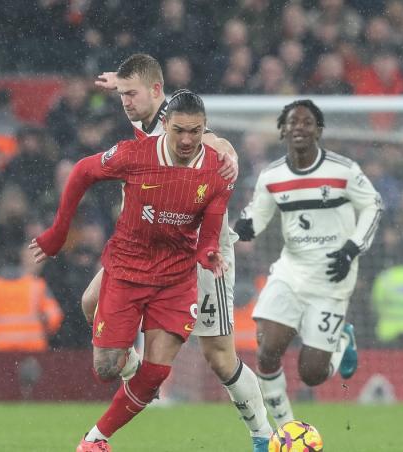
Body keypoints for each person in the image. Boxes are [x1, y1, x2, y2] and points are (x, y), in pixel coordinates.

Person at [29, 90, 232, 452]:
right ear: (165, 125)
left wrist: (210, 255)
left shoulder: (217, 171)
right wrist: (58, 232)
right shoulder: (135, 154)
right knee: (106, 367)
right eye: (180, 130)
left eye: (196, 132)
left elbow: (209, 236)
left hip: (175, 278)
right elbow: (81, 171)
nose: (187, 139)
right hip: (127, 269)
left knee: (156, 374)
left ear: (205, 129)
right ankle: (129, 366)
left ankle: (95, 440)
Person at [92, 54, 272, 450]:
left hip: (201, 249)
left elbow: (217, 143)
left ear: (156, 92)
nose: (124, 100)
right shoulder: (140, 116)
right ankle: (142, 378)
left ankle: (264, 436)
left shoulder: (178, 124)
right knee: (91, 303)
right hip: (148, 244)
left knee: (220, 357)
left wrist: (232, 158)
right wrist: (121, 81)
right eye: (120, 93)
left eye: (130, 94)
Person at [234, 99, 383, 427]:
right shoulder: (272, 175)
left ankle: (342, 342)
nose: (299, 127)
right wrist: (242, 228)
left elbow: (373, 205)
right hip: (291, 269)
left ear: (318, 131)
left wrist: (351, 249)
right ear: (282, 130)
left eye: (307, 122)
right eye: (292, 122)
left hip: (333, 273)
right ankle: (286, 430)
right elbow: (255, 217)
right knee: (267, 348)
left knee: (312, 373)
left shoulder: (342, 170)